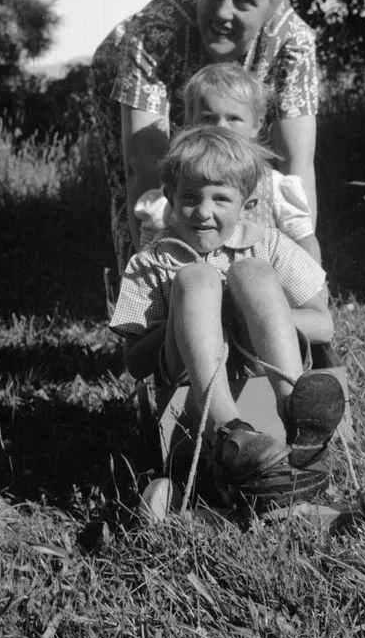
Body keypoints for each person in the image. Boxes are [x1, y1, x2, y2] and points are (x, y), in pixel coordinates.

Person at [108, 125, 345, 485]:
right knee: (195, 278)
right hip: (188, 378)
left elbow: (323, 325)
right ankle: (228, 432)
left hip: (263, 363)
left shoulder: (268, 245)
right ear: (170, 196)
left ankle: (296, 415)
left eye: (220, 199)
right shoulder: (152, 262)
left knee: (251, 272)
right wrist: (188, 322)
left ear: (247, 204)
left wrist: (249, 315)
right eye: (190, 197)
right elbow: (135, 363)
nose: (203, 212)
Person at [91, 0, 319, 278]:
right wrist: (154, 278)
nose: (223, 11)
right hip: (130, 71)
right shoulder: (154, 32)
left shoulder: (294, 42)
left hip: (235, 94)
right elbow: (144, 168)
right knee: (161, 193)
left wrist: (300, 278)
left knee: (246, 181)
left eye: (244, 1)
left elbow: (296, 165)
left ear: (273, 8)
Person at [134, 62, 322, 262]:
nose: (221, 127)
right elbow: (150, 243)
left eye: (233, 118)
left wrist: (314, 279)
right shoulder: (181, 184)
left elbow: (302, 239)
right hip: (194, 276)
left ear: (256, 125)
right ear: (190, 123)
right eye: (209, 118)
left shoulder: (273, 185)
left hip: (260, 277)